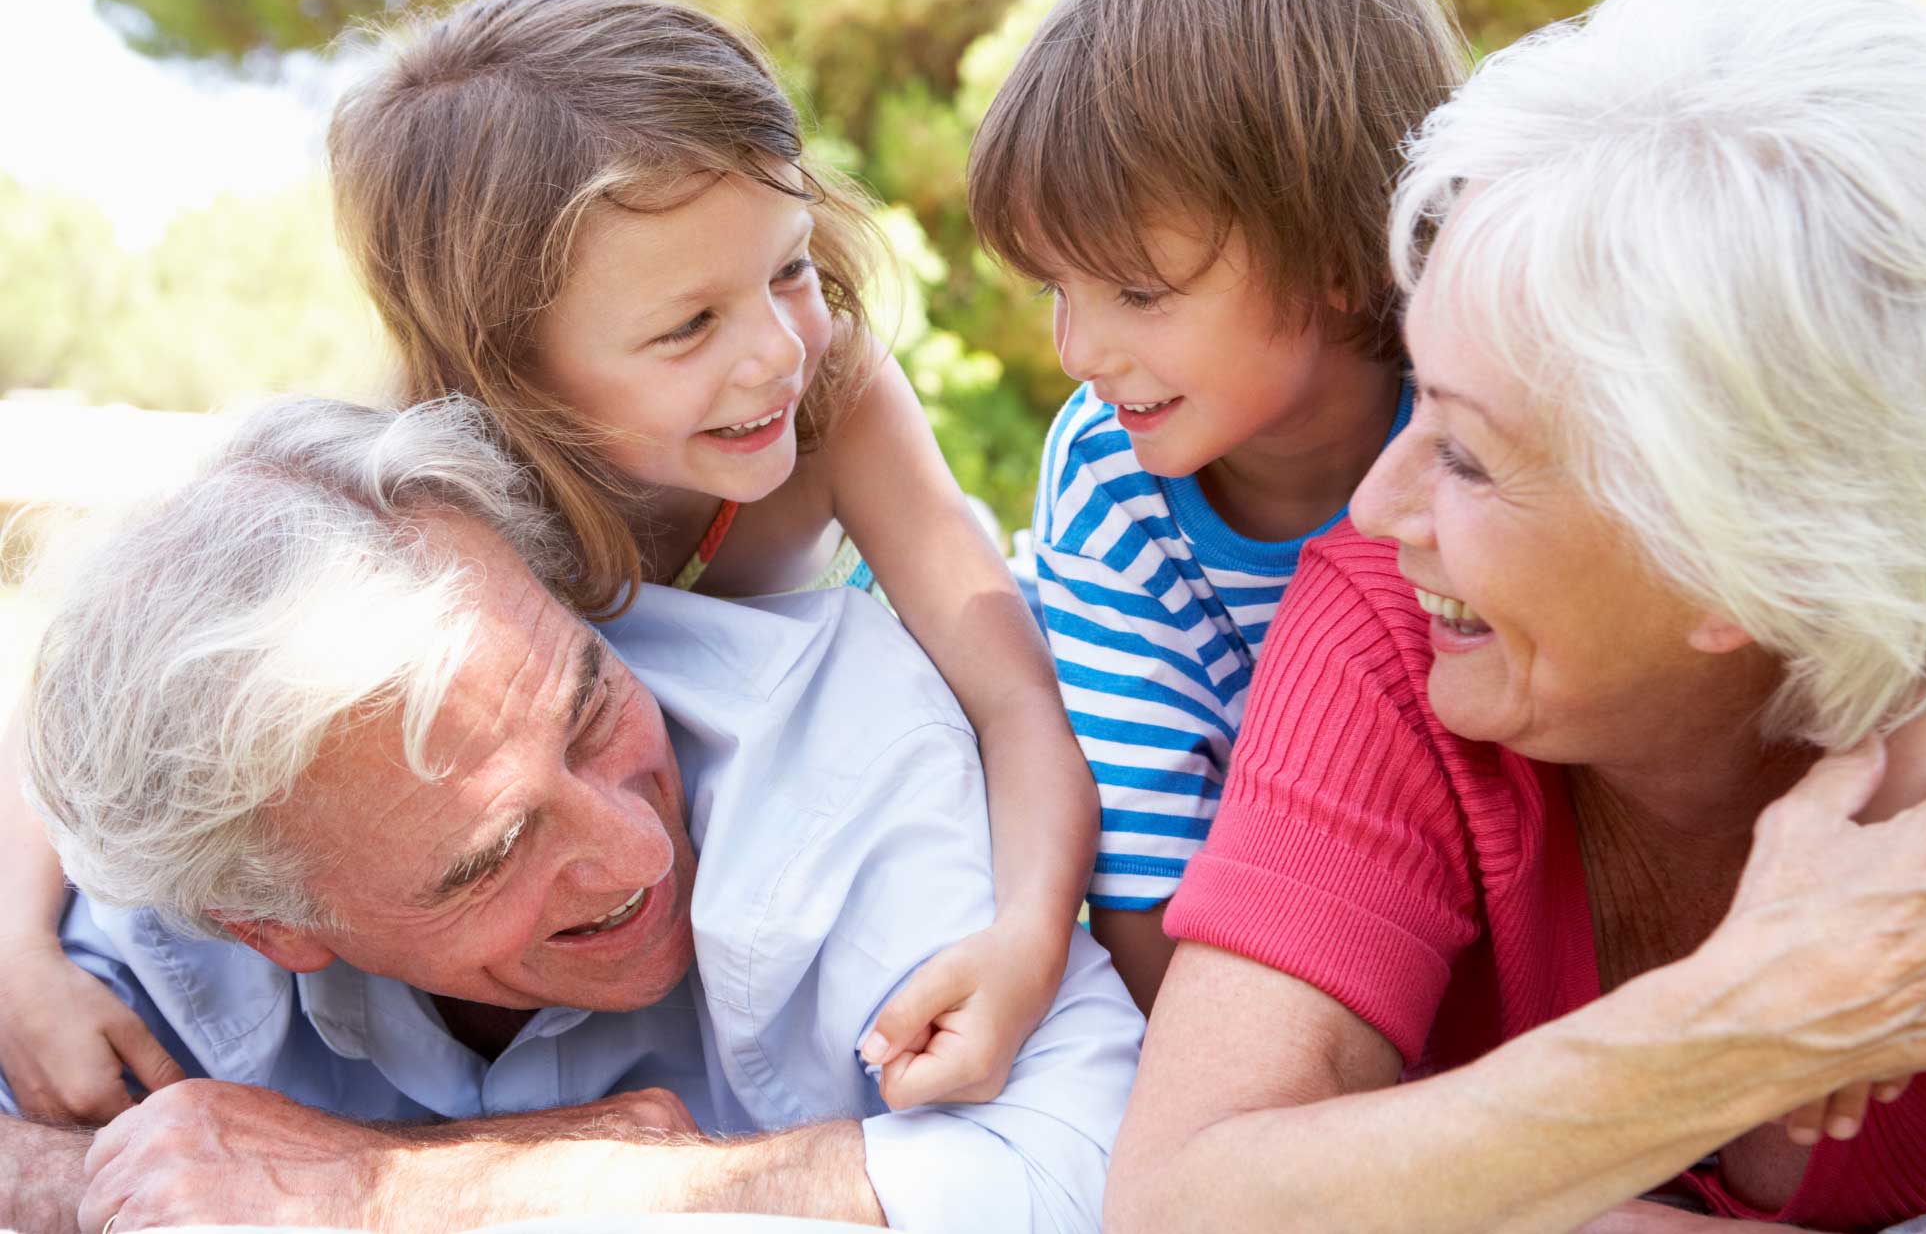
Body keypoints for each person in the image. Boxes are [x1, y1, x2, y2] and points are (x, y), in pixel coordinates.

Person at [1105, 0, 1926, 1230]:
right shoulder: (1394, 630)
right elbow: (1182, 1201)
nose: (1377, 506)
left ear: (1740, 553)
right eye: (1413, 392)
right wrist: (1725, 1034)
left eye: (1469, 454)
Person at [0, 0, 1097, 1125]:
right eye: (688, 326)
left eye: (789, 267)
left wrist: (1024, 938)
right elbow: (83, 693)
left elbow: (1013, 695)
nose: (776, 352)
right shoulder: (429, 476)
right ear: (508, 363)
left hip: (854, 837)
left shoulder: (834, 397)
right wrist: (19, 951)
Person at [0, 397, 1142, 1234]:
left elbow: (1105, 1166)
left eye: (592, 710)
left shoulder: (847, 744)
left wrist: (386, 1186)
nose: (639, 851)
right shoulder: (182, 867)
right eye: (490, 856)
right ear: (266, 924)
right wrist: (101, 1179)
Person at [965, 0, 1466, 1010]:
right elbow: (1147, 877)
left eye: (1137, 293)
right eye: (1056, 289)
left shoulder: (1473, 425)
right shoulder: (1108, 477)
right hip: (1257, 944)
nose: (1077, 350)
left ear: (1335, 253)